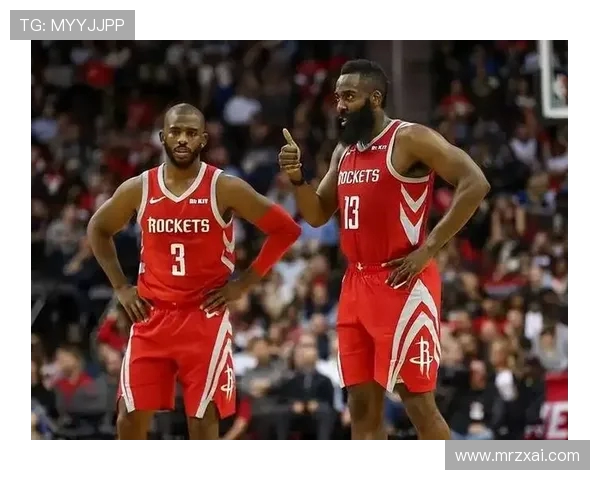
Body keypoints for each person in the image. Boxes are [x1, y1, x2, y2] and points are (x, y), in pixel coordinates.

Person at [278, 60, 490, 440]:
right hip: (356, 284)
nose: (340, 105)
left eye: (349, 96)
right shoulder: (344, 151)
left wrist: (429, 248)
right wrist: (297, 178)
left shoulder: (409, 138)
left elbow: (475, 182)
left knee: (418, 404)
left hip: (402, 281)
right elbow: (317, 213)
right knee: (360, 406)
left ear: (375, 98)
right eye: (338, 97)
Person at [88, 103, 301, 440]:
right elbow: (98, 228)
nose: (183, 139)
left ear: (203, 139)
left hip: (203, 318)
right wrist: (121, 287)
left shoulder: (224, 187)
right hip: (152, 316)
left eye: (191, 133)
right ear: (162, 137)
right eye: (175, 132)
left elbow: (286, 229)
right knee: (128, 418)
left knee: (202, 425)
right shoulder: (140, 187)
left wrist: (244, 284)